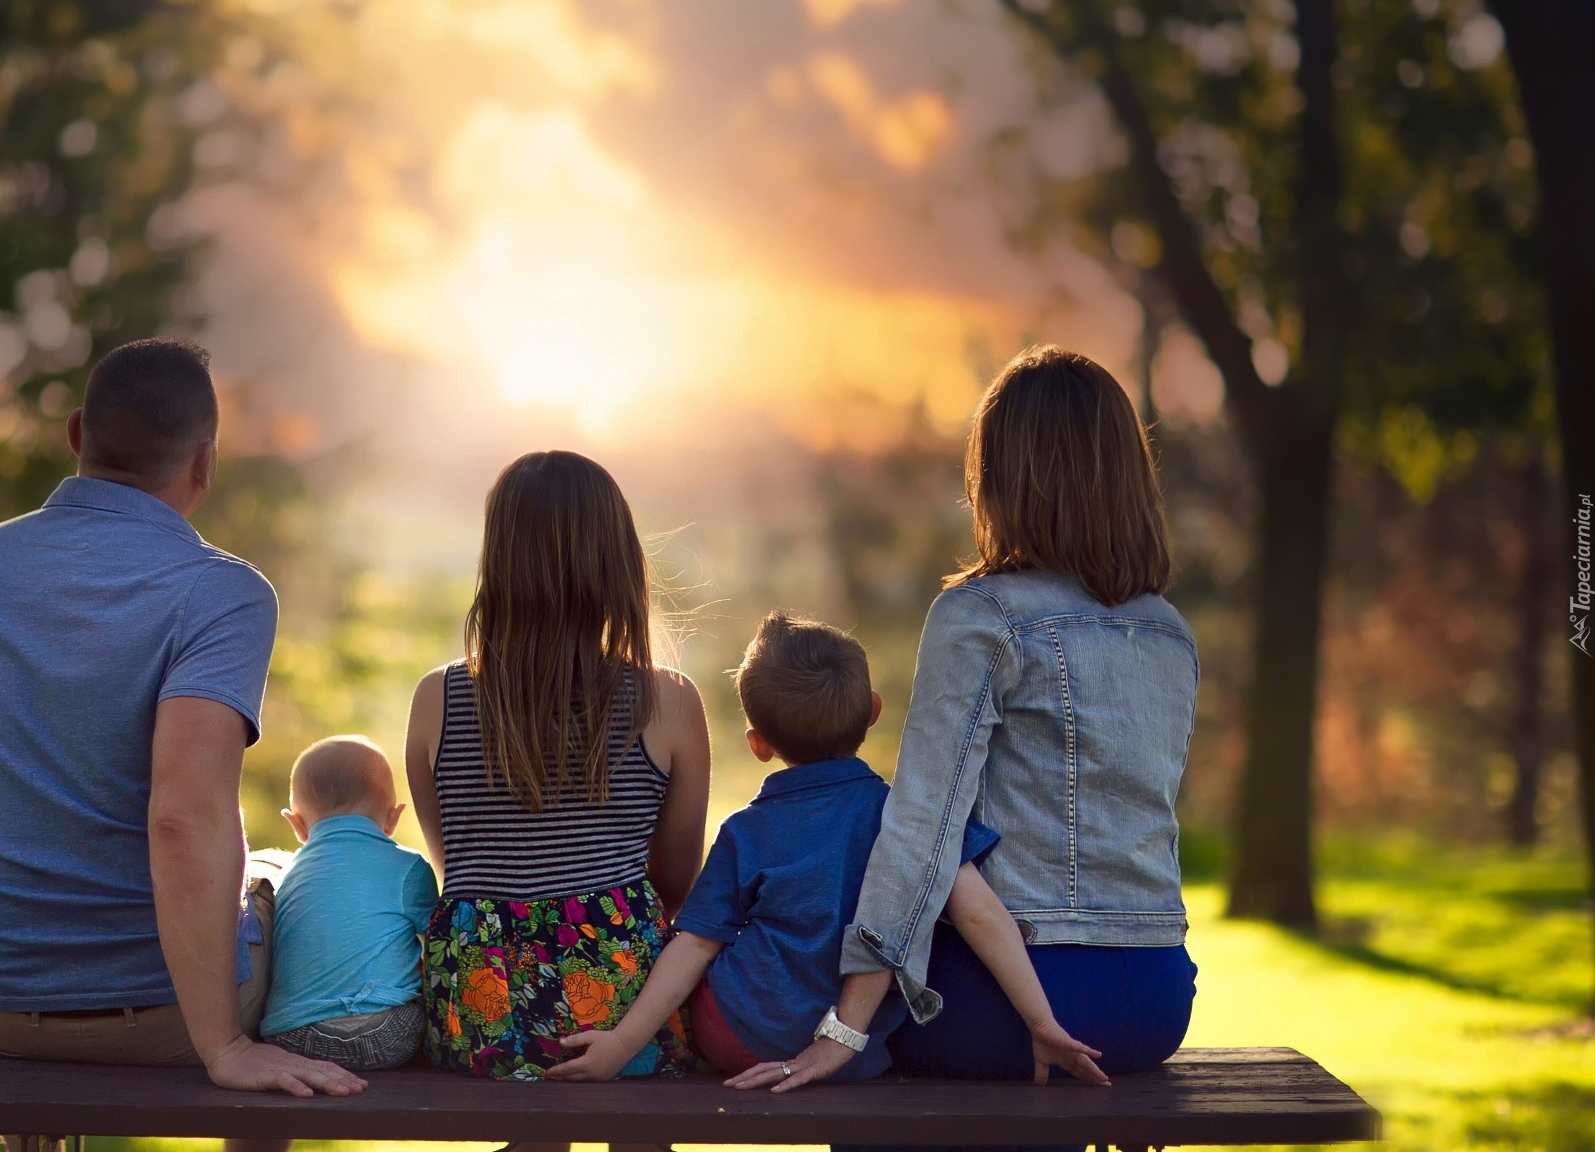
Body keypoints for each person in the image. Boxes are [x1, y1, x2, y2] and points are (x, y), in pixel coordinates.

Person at [0, 338, 366, 1107]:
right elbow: (183, 817)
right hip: (166, 1019)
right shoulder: (221, 593)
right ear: (204, 465)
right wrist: (224, 1046)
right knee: (286, 877)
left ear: (75, 434)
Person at [734, 346, 1198, 1121]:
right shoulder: (1169, 631)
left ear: (1001, 476)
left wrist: (843, 1030)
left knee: (872, 1074)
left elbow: (922, 826)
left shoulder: (981, 615)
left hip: (1022, 998)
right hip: (1158, 999)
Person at [547, 613, 1099, 1087]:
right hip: (854, 1049)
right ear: (874, 711)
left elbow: (695, 946)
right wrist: (1042, 1023)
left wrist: (622, 1045)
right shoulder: (907, 818)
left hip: (732, 1034)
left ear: (758, 745)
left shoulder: (747, 831)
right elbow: (980, 913)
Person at [405, 450, 712, 1086]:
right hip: (617, 991)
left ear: (498, 564)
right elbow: (677, 882)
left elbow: (455, 864)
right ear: (620, 563)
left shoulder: (437, 697)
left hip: (483, 1000)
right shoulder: (670, 701)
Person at [261, 736, 438, 1071]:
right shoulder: (409, 867)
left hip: (295, 1038)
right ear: (393, 817)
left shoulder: (288, 874)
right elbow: (441, 946)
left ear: (295, 824)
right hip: (388, 1035)